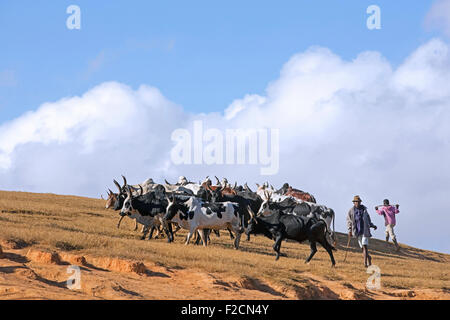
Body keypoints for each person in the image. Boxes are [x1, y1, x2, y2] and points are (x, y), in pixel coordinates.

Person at [347, 195, 377, 267]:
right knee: (362, 248)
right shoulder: (351, 211)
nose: (357, 203)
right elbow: (349, 221)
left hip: (365, 231)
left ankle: (365, 263)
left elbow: (368, 220)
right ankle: (368, 257)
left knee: (364, 246)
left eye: (358, 202)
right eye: (356, 202)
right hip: (357, 231)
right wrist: (350, 230)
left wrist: (372, 225)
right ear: (354, 203)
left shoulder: (364, 210)